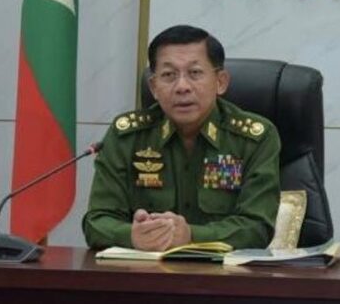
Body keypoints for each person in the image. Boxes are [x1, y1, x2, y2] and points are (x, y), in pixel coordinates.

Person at [83, 25, 281, 250]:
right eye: (169, 75)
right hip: (144, 270)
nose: (182, 87)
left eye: (195, 73)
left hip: (223, 272)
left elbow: (257, 228)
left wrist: (191, 236)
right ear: (154, 87)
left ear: (220, 82)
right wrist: (132, 235)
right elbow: (96, 222)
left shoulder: (254, 138)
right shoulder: (127, 137)